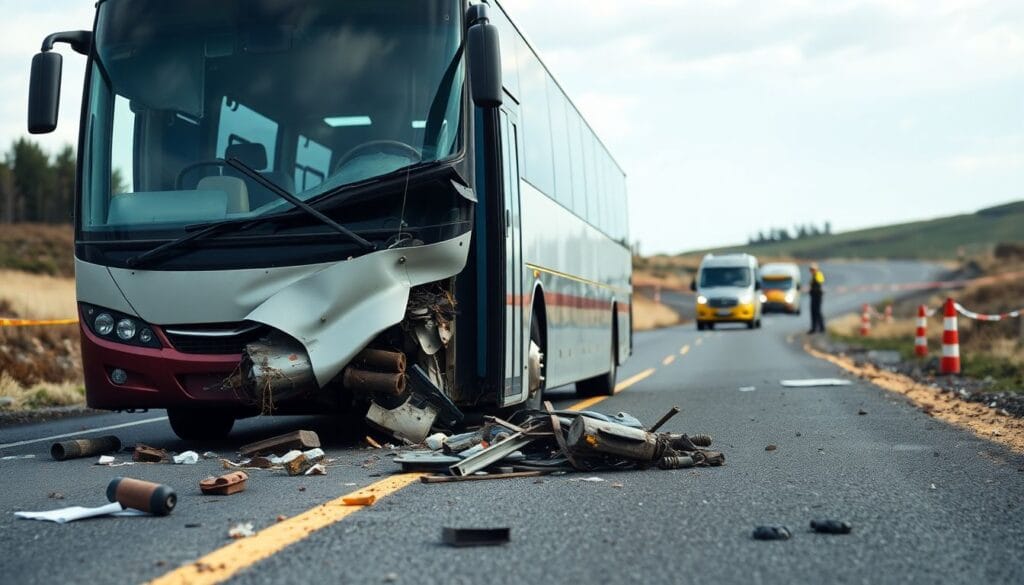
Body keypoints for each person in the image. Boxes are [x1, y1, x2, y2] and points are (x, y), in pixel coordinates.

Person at [808, 263, 826, 333]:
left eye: (812, 269)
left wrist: (813, 289)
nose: (811, 271)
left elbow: (820, 282)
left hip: (817, 296)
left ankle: (821, 327)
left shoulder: (818, 274)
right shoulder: (814, 276)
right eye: (811, 269)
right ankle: (814, 328)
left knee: (817, 312)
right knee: (813, 312)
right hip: (814, 295)